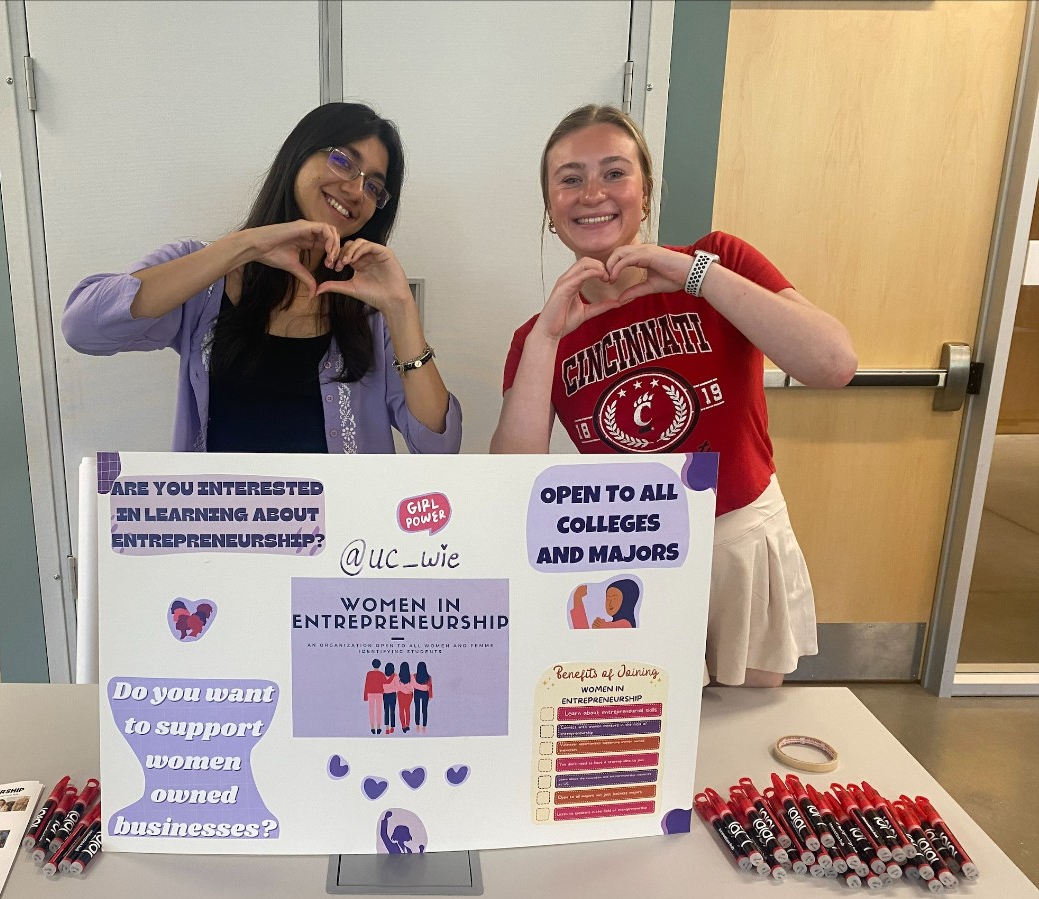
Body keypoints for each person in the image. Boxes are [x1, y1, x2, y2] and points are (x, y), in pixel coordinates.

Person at [491, 104, 857, 688]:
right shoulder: (539, 337)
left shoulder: (719, 261)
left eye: (614, 172)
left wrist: (697, 275)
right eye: (570, 178)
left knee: (741, 728)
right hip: (628, 558)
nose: (592, 193)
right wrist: (547, 339)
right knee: (644, 729)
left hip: (739, 540)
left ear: (646, 190)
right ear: (549, 207)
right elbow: (511, 485)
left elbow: (834, 363)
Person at [62, 102, 461, 455]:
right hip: (225, 532)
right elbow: (84, 328)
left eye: (374, 186)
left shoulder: (368, 304)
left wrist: (401, 309)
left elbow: (437, 447)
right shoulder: (203, 274)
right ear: (299, 156)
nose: (356, 190)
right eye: (344, 161)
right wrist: (243, 247)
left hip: (346, 537)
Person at [570, 579, 639, 629]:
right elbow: (583, 633)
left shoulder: (625, 624)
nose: (610, 603)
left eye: (614, 599)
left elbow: (583, 633)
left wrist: (602, 626)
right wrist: (577, 599)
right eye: (608, 598)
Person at [362, 658, 386, 734]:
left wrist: (365, 696)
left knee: (371, 711)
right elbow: (384, 685)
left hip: (371, 693)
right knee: (379, 710)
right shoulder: (382, 674)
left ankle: (372, 727)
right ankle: (379, 727)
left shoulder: (369, 673)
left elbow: (367, 685)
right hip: (379, 693)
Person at [412, 661, 433, 733]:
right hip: (425, 694)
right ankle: (424, 726)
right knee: (424, 710)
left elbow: (413, 686)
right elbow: (430, 687)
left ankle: (417, 726)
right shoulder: (428, 677)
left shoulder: (415, 676)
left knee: (417, 709)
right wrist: (430, 695)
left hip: (417, 693)